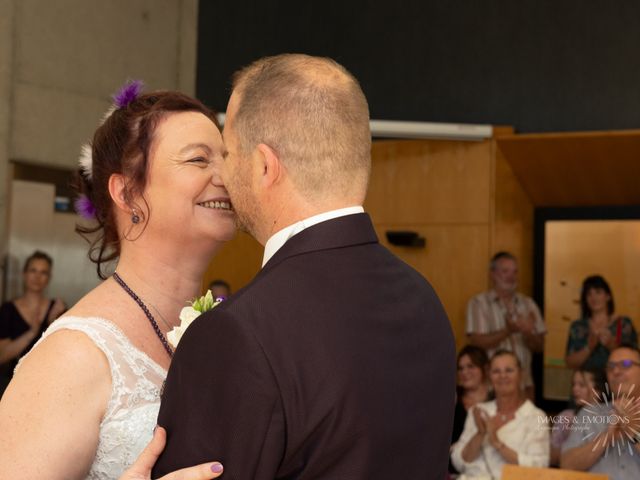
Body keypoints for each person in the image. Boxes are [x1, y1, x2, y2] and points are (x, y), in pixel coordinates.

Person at [153, 54, 456, 479]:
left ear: (264, 166)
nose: (222, 171)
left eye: (228, 152)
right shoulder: (424, 300)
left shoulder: (237, 333)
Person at [0, 83, 230, 479]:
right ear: (126, 193)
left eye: (228, 158)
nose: (226, 175)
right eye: (198, 159)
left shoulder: (226, 332)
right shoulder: (72, 357)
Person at [450, 350, 549, 479]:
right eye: (496, 371)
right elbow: (459, 462)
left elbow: (539, 467)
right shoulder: (478, 411)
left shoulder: (536, 416)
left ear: (521, 374)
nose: (503, 376)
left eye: (509, 370)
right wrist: (480, 434)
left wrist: (497, 443)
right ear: (489, 376)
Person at [466, 251, 545, 399]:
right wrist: (508, 331)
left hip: (524, 385)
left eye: (515, 272)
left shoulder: (529, 304)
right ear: (492, 274)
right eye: (505, 271)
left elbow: (539, 347)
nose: (511, 276)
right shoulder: (479, 303)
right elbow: (476, 343)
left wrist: (528, 333)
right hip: (491, 386)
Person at [561, 345, 640, 479]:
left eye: (625, 364)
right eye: (610, 366)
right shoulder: (589, 414)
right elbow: (566, 464)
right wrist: (607, 437)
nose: (616, 371)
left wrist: (633, 431)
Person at [0, 250, 66, 396]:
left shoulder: (57, 308)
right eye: (33, 270)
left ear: (49, 278)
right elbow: (2, 355)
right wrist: (32, 332)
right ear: (24, 274)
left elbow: (62, 354)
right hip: (11, 383)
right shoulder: (8, 310)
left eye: (43, 272)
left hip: (47, 383)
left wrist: (53, 324)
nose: (37, 277)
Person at [565, 275, 637, 371]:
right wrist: (589, 348)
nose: (593, 297)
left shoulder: (624, 323)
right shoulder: (578, 326)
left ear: (608, 296)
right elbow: (570, 363)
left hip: (616, 382)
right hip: (587, 383)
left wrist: (612, 345)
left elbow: (633, 359)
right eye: (589, 294)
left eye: (598, 292)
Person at [549, 367, 604, 466]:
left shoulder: (611, 417)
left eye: (582, 385)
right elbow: (552, 459)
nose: (575, 389)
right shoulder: (566, 417)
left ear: (598, 389)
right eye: (574, 384)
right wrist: (567, 437)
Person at [450, 345, 491, 475]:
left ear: (484, 368)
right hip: (456, 464)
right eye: (460, 368)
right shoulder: (452, 396)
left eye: (470, 366)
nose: (464, 372)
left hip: (487, 464)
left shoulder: (497, 398)